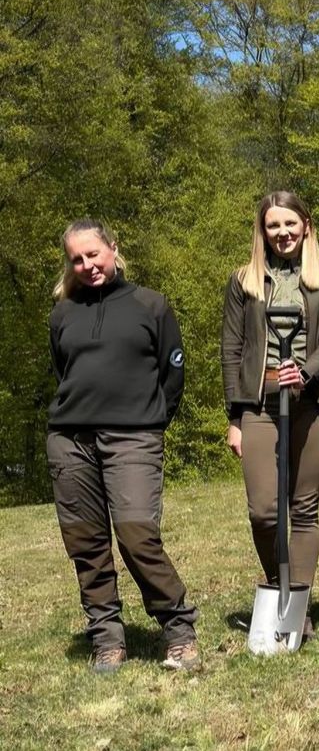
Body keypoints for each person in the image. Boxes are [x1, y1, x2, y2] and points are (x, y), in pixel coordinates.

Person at [46, 219, 199, 672]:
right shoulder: (62, 314)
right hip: (70, 442)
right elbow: (63, 372)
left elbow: (174, 372)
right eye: (77, 258)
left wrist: (151, 422)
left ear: (114, 248)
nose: (87, 265)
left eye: (94, 254)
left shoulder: (151, 304)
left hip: (133, 437)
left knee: (137, 537)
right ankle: (107, 640)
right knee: (86, 545)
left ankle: (179, 630)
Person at [221, 191, 319, 633]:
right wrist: (235, 418)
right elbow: (232, 349)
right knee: (264, 511)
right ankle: (279, 584)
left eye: (290, 224)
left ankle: (299, 608)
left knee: (304, 507)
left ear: (306, 225)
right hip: (260, 403)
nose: (282, 233)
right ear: (263, 231)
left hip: (313, 404)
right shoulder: (244, 282)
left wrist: (306, 372)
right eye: (273, 225)